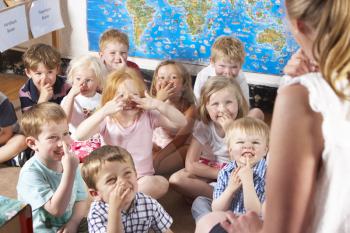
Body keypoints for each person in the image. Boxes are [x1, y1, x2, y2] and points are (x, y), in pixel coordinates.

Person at [199, 0, 350, 232]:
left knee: (208, 221)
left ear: (297, 25)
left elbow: (281, 227)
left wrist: (254, 228)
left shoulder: (304, 95)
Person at [74, 67, 187, 199]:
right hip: (110, 179)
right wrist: (104, 111)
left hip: (139, 180)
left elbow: (181, 123)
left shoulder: (148, 115)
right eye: (121, 96)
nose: (128, 100)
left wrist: (158, 104)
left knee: (160, 183)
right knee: (81, 170)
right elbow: (79, 135)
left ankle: (117, 204)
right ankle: (125, 204)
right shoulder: (107, 118)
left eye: (134, 95)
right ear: (110, 99)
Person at [169, 76, 248, 199]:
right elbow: (191, 164)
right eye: (215, 104)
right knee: (176, 180)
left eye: (228, 102)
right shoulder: (204, 127)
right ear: (206, 107)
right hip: (213, 169)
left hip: (236, 172)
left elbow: (242, 163)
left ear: (238, 102)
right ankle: (221, 197)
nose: (222, 109)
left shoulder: (245, 127)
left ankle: (217, 196)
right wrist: (219, 174)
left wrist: (230, 131)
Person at [17, 102, 88, 233]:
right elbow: (56, 210)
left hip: (71, 222)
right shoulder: (30, 173)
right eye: (52, 138)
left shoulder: (69, 162)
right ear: (33, 143)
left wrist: (73, 223)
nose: (62, 143)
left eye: (66, 133)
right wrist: (70, 172)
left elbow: (81, 199)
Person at [194, 117, 268, 230]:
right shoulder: (226, 171)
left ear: (265, 150)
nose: (248, 146)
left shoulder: (267, 174)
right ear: (230, 151)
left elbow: (256, 212)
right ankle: (215, 226)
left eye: (255, 142)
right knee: (200, 202)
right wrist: (230, 189)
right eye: (240, 142)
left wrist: (248, 182)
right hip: (228, 216)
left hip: (254, 224)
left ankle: (215, 227)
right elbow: (217, 209)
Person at [81, 145, 174, 233]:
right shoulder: (96, 213)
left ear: (135, 175)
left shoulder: (148, 203)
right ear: (95, 194)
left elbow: (166, 231)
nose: (122, 182)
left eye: (127, 173)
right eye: (111, 180)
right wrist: (115, 209)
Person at [193, 36, 264, 120]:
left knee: (256, 113)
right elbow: (197, 102)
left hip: (232, 115)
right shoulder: (204, 75)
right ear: (212, 61)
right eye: (222, 66)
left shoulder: (240, 78)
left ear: (241, 65)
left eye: (234, 67)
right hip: (209, 115)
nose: (227, 72)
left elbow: (244, 105)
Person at [150, 60, 196, 174]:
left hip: (175, 148)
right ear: (156, 83)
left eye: (173, 77)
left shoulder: (191, 109)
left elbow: (179, 141)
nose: (166, 82)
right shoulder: (151, 102)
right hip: (156, 146)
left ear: (184, 84)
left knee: (155, 168)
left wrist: (158, 159)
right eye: (161, 78)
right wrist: (158, 101)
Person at [60, 54, 107, 161]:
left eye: (88, 80)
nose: (82, 84)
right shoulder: (68, 99)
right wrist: (71, 96)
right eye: (78, 79)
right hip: (75, 140)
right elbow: (63, 123)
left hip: (97, 140)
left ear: (98, 81)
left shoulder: (103, 99)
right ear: (72, 79)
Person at [19, 43, 71, 112]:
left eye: (49, 72)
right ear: (28, 73)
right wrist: (42, 100)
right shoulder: (25, 92)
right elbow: (30, 122)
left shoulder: (67, 85)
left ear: (57, 69)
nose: (44, 78)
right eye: (38, 73)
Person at [0, 91, 27, 165]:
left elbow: (7, 134)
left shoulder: (2, 101)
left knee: (21, 140)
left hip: (6, 138)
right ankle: (10, 158)